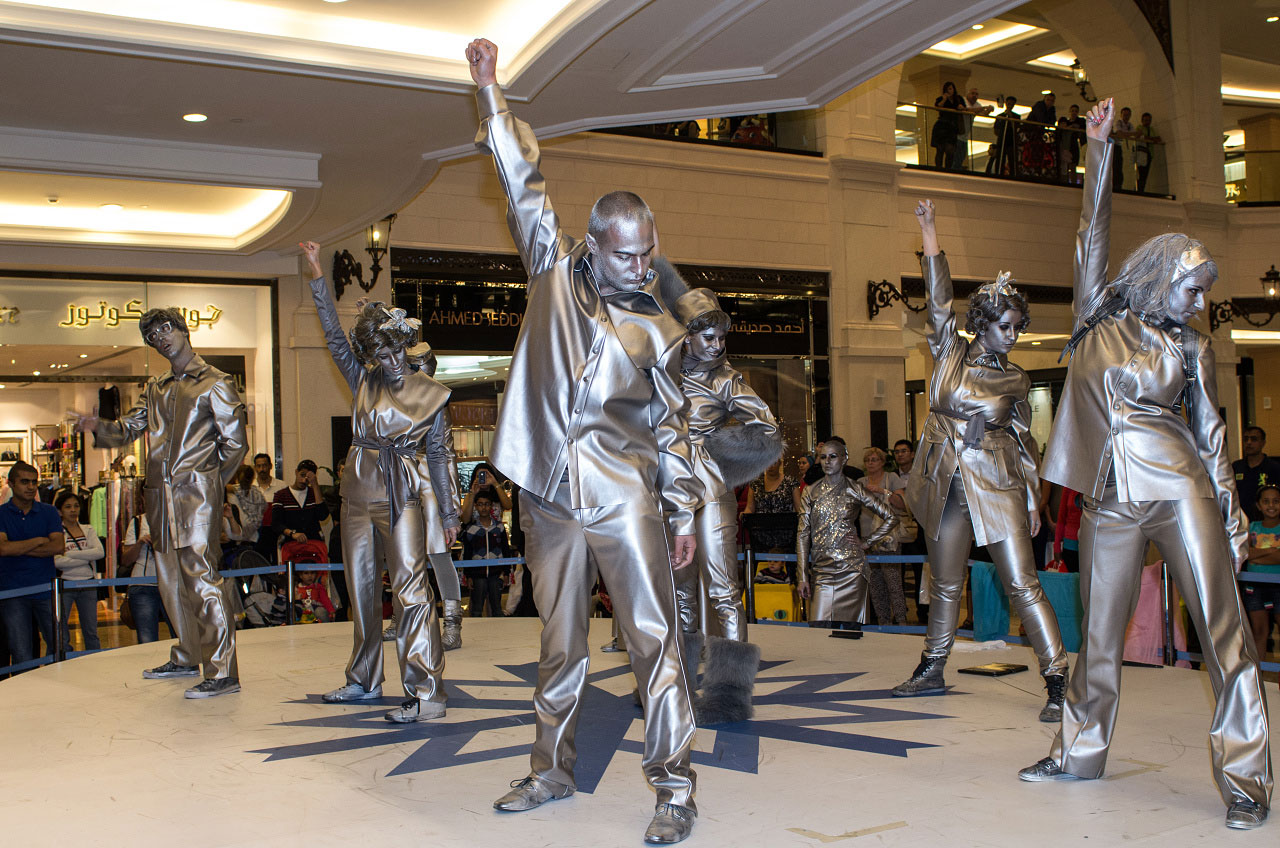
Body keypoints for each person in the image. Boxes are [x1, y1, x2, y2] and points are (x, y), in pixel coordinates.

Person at [468, 37, 702, 844]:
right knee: (558, 642)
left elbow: (674, 428)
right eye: (627, 254)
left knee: (654, 643)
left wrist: (683, 512)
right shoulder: (550, 267)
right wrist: (490, 92)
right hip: (547, 495)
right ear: (595, 243)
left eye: (649, 251)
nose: (642, 266)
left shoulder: (661, 329)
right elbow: (520, 177)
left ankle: (675, 789)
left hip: (623, 496)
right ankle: (550, 771)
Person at [1016, 99, 1272, 832]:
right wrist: (1098, 149)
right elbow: (1090, 233)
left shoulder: (1193, 348)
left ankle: (1247, 782)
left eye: (1205, 292)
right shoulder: (1097, 318)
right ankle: (1079, 753)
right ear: (1161, 278)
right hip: (1109, 500)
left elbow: (1212, 435)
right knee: (1097, 638)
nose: (1199, 303)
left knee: (1223, 634)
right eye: (1193, 289)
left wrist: (1231, 514)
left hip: (1181, 489)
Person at [894, 198, 1068, 723]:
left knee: (1022, 583)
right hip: (944, 480)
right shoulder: (948, 351)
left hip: (995, 482)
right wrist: (929, 232)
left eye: (1017, 327)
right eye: (1006, 326)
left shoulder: (1016, 378)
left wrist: (1033, 499)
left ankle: (1058, 679)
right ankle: (932, 667)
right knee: (945, 582)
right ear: (983, 325)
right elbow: (938, 300)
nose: (1013, 336)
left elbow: (1023, 441)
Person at [301, 240, 459, 724]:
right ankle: (364, 679)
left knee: (411, 592)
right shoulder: (364, 378)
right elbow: (334, 339)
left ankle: (426, 692)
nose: (389, 361)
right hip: (355, 497)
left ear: (404, 343)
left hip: (402, 496)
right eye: (379, 353)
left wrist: (449, 512)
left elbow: (441, 454)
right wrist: (317, 278)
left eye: (394, 350)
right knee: (362, 592)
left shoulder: (432, 394)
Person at [77, 308, 247, 697]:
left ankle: (223, 671)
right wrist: (97, 427)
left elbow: (235, 445)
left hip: (197, 496)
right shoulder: (156, 388)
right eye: (152, 336)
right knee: (169, 579)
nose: (161, 338)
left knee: (202, 577)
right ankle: (187, 655)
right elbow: (130, 427)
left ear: (184, 329)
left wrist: (208, 485)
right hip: (159, 497)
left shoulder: (216, 383)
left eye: (165, 329)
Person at [672, 286, 782, 722]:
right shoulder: (660, 373)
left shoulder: (726, 380)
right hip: (667, 493)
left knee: (723, 590)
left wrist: (716, 453)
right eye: (709, 337)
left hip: (709, 490)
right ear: (685, 336)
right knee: (677, 592)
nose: (718, 346)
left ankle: (730, 694)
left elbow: (767, 429)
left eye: (722, 337)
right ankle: (675, 685)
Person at [797, 439, 898, 629]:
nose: (827, 461)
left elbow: (891, 517)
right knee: (818, 629)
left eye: (833, 456)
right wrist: (802, 577)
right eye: (823, 457)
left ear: (844, 459)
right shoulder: (810, 491)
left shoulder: (855, 488)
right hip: (821, 571)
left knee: (851, 634)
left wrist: (867, 541)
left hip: (852, 568)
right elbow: (802, 534)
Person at [0, 462, 62, 667]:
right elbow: (3, 549)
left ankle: (60, 684)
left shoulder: (49, 511)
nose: (30, 487)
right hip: (12, 591)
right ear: (11, 484)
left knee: (60, 646)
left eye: (34, 482)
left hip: (46, 589)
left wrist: (17, 547)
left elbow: (57, 546)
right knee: (21, 653)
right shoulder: (1, 514)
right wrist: (39, 540)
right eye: (24, 482)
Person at [858, 446, 908, 626]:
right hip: (867, 537)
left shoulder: (891, 478)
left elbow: (902, 504)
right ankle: (883, 622)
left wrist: (882, 491)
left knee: (893, 582)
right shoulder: (860, 482)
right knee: (875, 584)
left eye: (874, 460)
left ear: (882, 462)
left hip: (888, 538)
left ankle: (901, 621)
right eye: (867, 460)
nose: (870, 463)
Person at [53, 489, 103, 651]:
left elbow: (99, 552)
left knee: (91, 629)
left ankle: (94, 657)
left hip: (88, 583)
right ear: (60, 511)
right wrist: (86, 557)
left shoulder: (88, 529)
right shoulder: (57, 533)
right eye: (68, 507)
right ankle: (63, 657)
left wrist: (69, 554)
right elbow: (58, 562)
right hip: (65, 584)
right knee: (61, 629)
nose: (73, 510)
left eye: (76, 506)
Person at [460, 489, 511, 618]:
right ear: (476, 506)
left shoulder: (499, 528)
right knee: (476, 609)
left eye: (487, 504)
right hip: (477, 575)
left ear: (491, 506)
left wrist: (506, 572)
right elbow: (468, 553)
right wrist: (468, 575)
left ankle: (497, 629)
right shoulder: (471, 529)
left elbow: (505, 550)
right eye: (480, 504)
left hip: (496, 574)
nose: (484, 507)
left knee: (497, 608)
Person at [1244, 485, 1280, 662]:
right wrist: (1271, 551)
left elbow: (1254, 555)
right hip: (1255, 587)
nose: (1271, 505)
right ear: (1259, 505)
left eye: (1276, 501)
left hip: (1278, 586)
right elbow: (1245, 554)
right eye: (1266, 501)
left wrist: (1257, 557)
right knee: (1259, 632)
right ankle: (1258, 673)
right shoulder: (1252, 527)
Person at [122, 507, 166, 644]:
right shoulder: (138, 521)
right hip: (142, 585)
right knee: (147, 638)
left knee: (180, 636)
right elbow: (126, 560)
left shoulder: (176, 519)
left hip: (171, 584)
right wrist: (140, 542)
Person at [271, 460, 329, 548]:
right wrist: (292, 533)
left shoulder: (315, 494)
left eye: (308, 478)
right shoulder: (281, 495)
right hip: (290, 543)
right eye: (302, 475)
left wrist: (315, 485)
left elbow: (323, 516)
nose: (304, 480)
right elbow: (276, 524)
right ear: (296, 472)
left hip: (313, 542)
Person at [1234, 426, 1280, 523]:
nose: (1249, 442)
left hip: (1267, 522)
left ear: (1263, 443)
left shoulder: (1274, 468)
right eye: (1246, 439)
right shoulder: (1236, 467)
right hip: (1241, 521)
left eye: (1254, 439)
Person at [930, 81, 966, 169]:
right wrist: (944, 99)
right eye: (947, 89)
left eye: (950, 89)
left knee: (950, 150)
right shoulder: (941, 98)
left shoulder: (958, 99)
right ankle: (939, 168)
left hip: (952, 127)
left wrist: (961, 108)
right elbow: (938, 107)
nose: (949, 91)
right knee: (940, 149)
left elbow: (964, 108)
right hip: (942, 126)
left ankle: (948, 168)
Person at [986, 96, 1020, 176]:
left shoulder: (1016, 116)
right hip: (1002, 140)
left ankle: (1013, 174)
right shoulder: (1000, 116)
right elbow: (996, 130)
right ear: (1006, 104)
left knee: (1012, 159)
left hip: (1011, 141)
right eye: (1009, 104)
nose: (1010, 106)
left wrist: (1011, 118)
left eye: (1012, 104)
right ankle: (999, 173)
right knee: (1000, 158)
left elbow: (1016, 128)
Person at [1134, 112, 1162, 192]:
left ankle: (1141, 190)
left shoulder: (1151, 129)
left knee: (1145, 174)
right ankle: (1138, 190)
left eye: (1149, 120)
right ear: (1142, 120)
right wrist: (1151, 139)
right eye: (1146, 120)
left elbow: (1158, 139)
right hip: (1141, 154)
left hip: (1149, 154)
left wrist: (1149, 138)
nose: (1147, 122)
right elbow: (1142, 137)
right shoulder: (1139, 128)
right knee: (1140, 173)